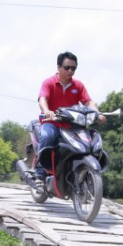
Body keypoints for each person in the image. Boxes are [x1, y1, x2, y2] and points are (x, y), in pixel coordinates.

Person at [35, 51, 105, 180]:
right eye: (67, 67)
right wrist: (46, 110)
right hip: (52, 122)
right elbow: (42, 98)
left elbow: (88, 101)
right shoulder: (49, 83)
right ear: (58, 67)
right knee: (47, 136)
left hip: (72, 125)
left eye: (73, 68)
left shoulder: (78, 85)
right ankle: (40, 171)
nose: (70, 71)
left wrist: (98, 113)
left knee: (90, 141)